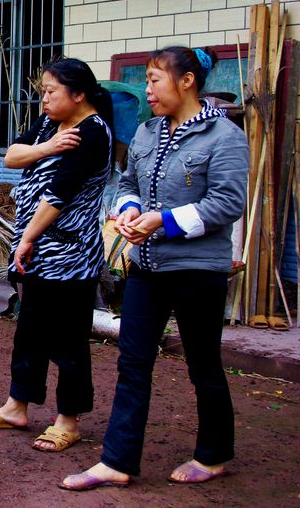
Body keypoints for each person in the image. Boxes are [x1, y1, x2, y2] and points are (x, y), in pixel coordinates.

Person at [61, 46, 248, 491]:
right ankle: (117, 461)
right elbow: (127, 183)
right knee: (132, 362)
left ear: (186, 82)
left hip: (198, 269)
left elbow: (228, 203)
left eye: (154, 80)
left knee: (203, 363)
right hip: (147, 265)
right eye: (146, 81)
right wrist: (128, 211)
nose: (147, 90)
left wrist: (161, 221)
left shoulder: (224, 137)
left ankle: (214, 453)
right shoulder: (147, 133)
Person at [0, 57, 113, 454]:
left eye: (51, 91)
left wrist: (28, 237)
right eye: (43, 91)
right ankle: (17, 406)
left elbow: (60, 194)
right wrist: (46, 146)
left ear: (79, 94)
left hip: (68, 254)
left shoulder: (93, 133)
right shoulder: (51, 124)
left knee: (68, 338)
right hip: (36, 251)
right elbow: (11, 157)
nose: (44, 99)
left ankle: (68, 420)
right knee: (29, 331)